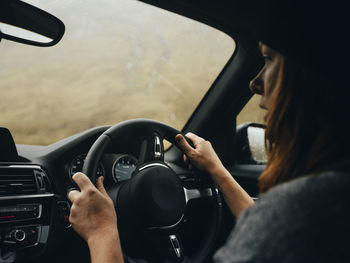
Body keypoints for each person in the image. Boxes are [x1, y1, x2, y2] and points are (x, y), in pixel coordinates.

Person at [68, 0, 350, 262]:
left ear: (313, 80)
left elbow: (277, 226)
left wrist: (102, 232)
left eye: (269, 59)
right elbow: (269, 229)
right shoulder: (323, 204)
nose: (254, 83)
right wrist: (218, 172)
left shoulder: (309, 207)